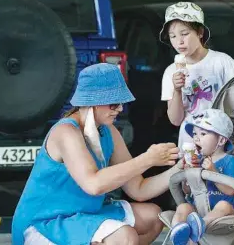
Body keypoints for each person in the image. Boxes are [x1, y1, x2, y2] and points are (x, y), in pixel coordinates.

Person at [12, 63, 182, 245]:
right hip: (46, 222)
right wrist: (148, 159)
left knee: (154, 217)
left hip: (85, 213)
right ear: (92, 101)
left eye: (121, 103)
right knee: (124, 236)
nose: (120, 109)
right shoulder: (66, 132)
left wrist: (179, 168)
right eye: (114, 103)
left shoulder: (109, 131)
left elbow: (138, 189)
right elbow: (93, 184)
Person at [159, 2, 234, 149]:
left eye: (185, 34)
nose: (179, 41)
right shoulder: (171, 72)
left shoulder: (221, 62)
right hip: (190, 144)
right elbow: (175, 120)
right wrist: (177, 90)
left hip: (222, 144)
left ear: (200, 32)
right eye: (173, 36)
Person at [167, 109, 234, 245]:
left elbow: (232, 191)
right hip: (199, 209)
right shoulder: (197, 161)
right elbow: (187, 191)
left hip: (223, 213)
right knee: (183, 207)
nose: (196, 138)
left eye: (203, 134)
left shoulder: (229, 160)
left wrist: (213, 172)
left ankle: (199, 226)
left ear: (221, 140)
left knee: (223, 205)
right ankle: (178, 232)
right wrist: (188, 175)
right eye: (194, 133)